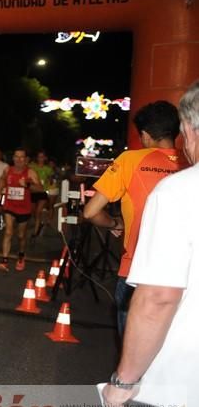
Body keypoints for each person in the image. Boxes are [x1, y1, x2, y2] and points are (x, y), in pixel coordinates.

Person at [101, 82, 199, 407]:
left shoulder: (175, 189)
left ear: (188, 130)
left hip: (183, 385)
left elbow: (158, 297)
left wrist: (123, 382)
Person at [83, 101, 183, 336]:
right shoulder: (191, 164)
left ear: (146, 135)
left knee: (132, 350)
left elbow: (91, 212)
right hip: (182, 274)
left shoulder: (130, 160)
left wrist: (115, 223)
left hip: (137, 270)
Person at [0, 148, 42, 272]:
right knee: (8, 232)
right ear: (13, 158)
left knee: (21, 236)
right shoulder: (8, 170)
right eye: (17, 156)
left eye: (22, 157)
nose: (19, 159)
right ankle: (4, 261)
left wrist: (27, 185)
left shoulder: (30, 172)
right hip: (9, 206)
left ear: (26, 159)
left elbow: (40, 189)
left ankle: (21, 255)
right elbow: (2, 179)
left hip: (24, 208)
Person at [29, 150, 54, 237]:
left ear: (45, 158)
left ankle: (35, 232)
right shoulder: (32, 167)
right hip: (32, 192)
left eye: (42, 157)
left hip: (42, 192)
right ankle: (38, 223)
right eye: (39, 157)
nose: (41, 159)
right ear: (37, 158)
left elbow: (51, 179)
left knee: (38, 211)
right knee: (32, 211)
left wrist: (49, 181)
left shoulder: (48, 169)